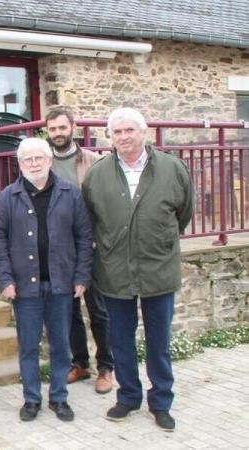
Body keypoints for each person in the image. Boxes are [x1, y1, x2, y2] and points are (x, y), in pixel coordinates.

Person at [82, 108, 193, 432]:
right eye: (117, 132)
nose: (124, 137)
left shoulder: (172, 169)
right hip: (114, 271)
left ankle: (161, 402)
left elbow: (183, 213)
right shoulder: (98, 174)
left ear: (143, 132)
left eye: (130, 130)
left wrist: (157, 241)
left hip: (158, 269)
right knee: (120, 340)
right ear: (111, 137)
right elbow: (91, 221)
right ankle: (128, 397)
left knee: (159, 341)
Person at [0, 137, 93, 423]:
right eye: (27, 159)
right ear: (20, 163)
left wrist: (82, 275)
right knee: (28, 346)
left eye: (39, 158)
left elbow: (85, 237)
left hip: (62, 284)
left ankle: (59, 398)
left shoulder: (70, 193)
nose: (34, 164)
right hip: (25, 288)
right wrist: (5, 279)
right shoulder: (7, 197)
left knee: (61, 345)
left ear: (49, 159)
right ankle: (31, 399)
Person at [45, 106, 114, 394]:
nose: (58, 134)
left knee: (97, 309)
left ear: (72, 127)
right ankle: (80, 363)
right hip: (59, 251)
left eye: (62, 127)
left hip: (91, 246)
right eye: (52, 129)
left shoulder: (94, 162)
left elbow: (106, 205)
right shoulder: (43, 163)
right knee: (68, 311)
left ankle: (106, 367)